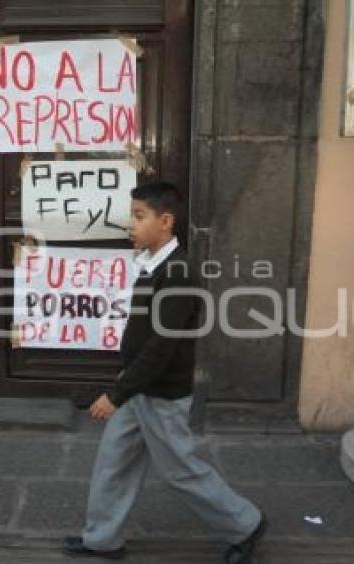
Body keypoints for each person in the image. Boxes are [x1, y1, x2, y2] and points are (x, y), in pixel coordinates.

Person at [63, 182, 266, 563]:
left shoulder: (179, 273)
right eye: (132, 216)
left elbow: (162, 346)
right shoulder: (151, 264)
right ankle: (102, 540)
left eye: (140, 217)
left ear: (166, 221)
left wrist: (117, 393)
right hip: (139, 387)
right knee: (114, 462)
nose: (131, 225)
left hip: (160, 394)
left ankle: (247, 525)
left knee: (181, 471)